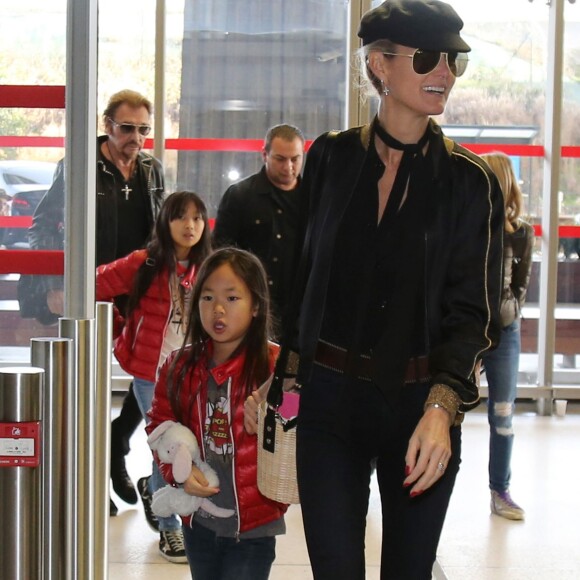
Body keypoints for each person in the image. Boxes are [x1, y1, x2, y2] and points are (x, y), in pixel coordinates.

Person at [245, 1, 504, 578]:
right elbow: (300, 280)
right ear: (381, 66)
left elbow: (474, 314)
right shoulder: (332, 157)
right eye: (430, 58)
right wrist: (282, 380)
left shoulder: (470, 182)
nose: (446, 73)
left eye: (455, 62)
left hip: (420, 406)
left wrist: (444, 407)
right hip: (329, 402)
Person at [27, 89, 165, 516]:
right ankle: (88, 479)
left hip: (137, 291)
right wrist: (56, 288)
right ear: (108, 126)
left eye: (144, 129)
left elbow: (161, 228)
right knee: (85, 385)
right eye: (127, 128)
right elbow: (43, 227)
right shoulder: (80, 166)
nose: (136, 138)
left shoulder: (151, 169)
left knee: (148, 379)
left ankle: (116, 443)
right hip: (94, 289)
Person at [147, 248, 287, 580]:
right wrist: (177, 471)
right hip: (198, 522)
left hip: (253, 526)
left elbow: (296, 417)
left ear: (256, 306)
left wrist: (275, 413)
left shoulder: (276, 366)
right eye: (207, 297)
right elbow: (159, 427)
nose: (218, 309)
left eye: (232, 297)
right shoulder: (178, 366)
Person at [96, 191, 211, 562]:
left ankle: (156, 490)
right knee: (169, 444)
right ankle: (170, 529)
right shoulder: (144, 263)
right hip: (151, 374)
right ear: (166, 222)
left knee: (184, 444)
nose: (190, 225)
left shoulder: (209, 265)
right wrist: (121, 329)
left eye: (197, 218)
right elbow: (96, 283)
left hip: (193, 372)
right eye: (181, 217)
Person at [480, 153, 534, 521]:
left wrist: (508, 312)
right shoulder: (468, 225)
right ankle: (375, 477)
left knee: (502, 414)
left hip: (504, 331)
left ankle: (500, 490)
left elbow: (521, 284)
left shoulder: (521, 232)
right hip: (466, 329)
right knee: (435, 408)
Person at [212, 124, 305, 336]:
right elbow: (221, 254)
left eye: (295, 159)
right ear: (265, 155)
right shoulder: (240, 196)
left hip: (298, 312)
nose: (288, 167)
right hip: (250, 308)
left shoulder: (313, 200)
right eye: (280, 159)